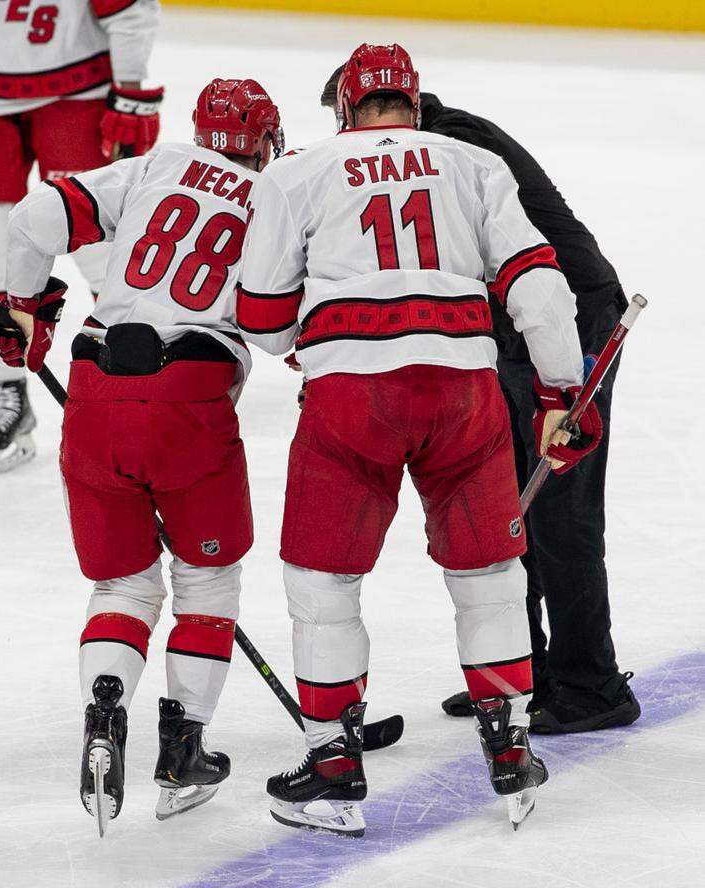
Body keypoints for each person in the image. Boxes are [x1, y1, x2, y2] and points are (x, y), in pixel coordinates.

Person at [238, 44, 603, 835]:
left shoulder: (297, 173)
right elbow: (538, 287)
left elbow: (262, 324)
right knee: (491, 573)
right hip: (462, 390)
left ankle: (334, 768)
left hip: (351, 401)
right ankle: (509, 750)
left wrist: (328, 330)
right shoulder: (472, 162)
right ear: (413, 100)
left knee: (323, 584)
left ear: (345, 108)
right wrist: (560, 394)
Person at [0, 79, 284, 832]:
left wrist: (26, 307)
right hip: (191, 402)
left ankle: (105, 714)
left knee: (124, 585)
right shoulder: (277, 194)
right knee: (207, 581)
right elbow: (279, 323)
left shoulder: (156, 165)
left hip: (95, 391)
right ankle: (182, 754)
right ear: (266, 141)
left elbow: (33, 216)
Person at [316, 70, 640, 736]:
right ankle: (521, 669)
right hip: (513, 332)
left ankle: (590, 686)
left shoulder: (454, 150)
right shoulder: (427, 147)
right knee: (504, 501)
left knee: (558, 511)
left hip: (566, 323)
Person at [0, 0, 162, 473]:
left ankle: (135, 385)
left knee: (101, 249)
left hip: (76, 88)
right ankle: (8, 391)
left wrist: (130, 88)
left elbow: (129, 9)